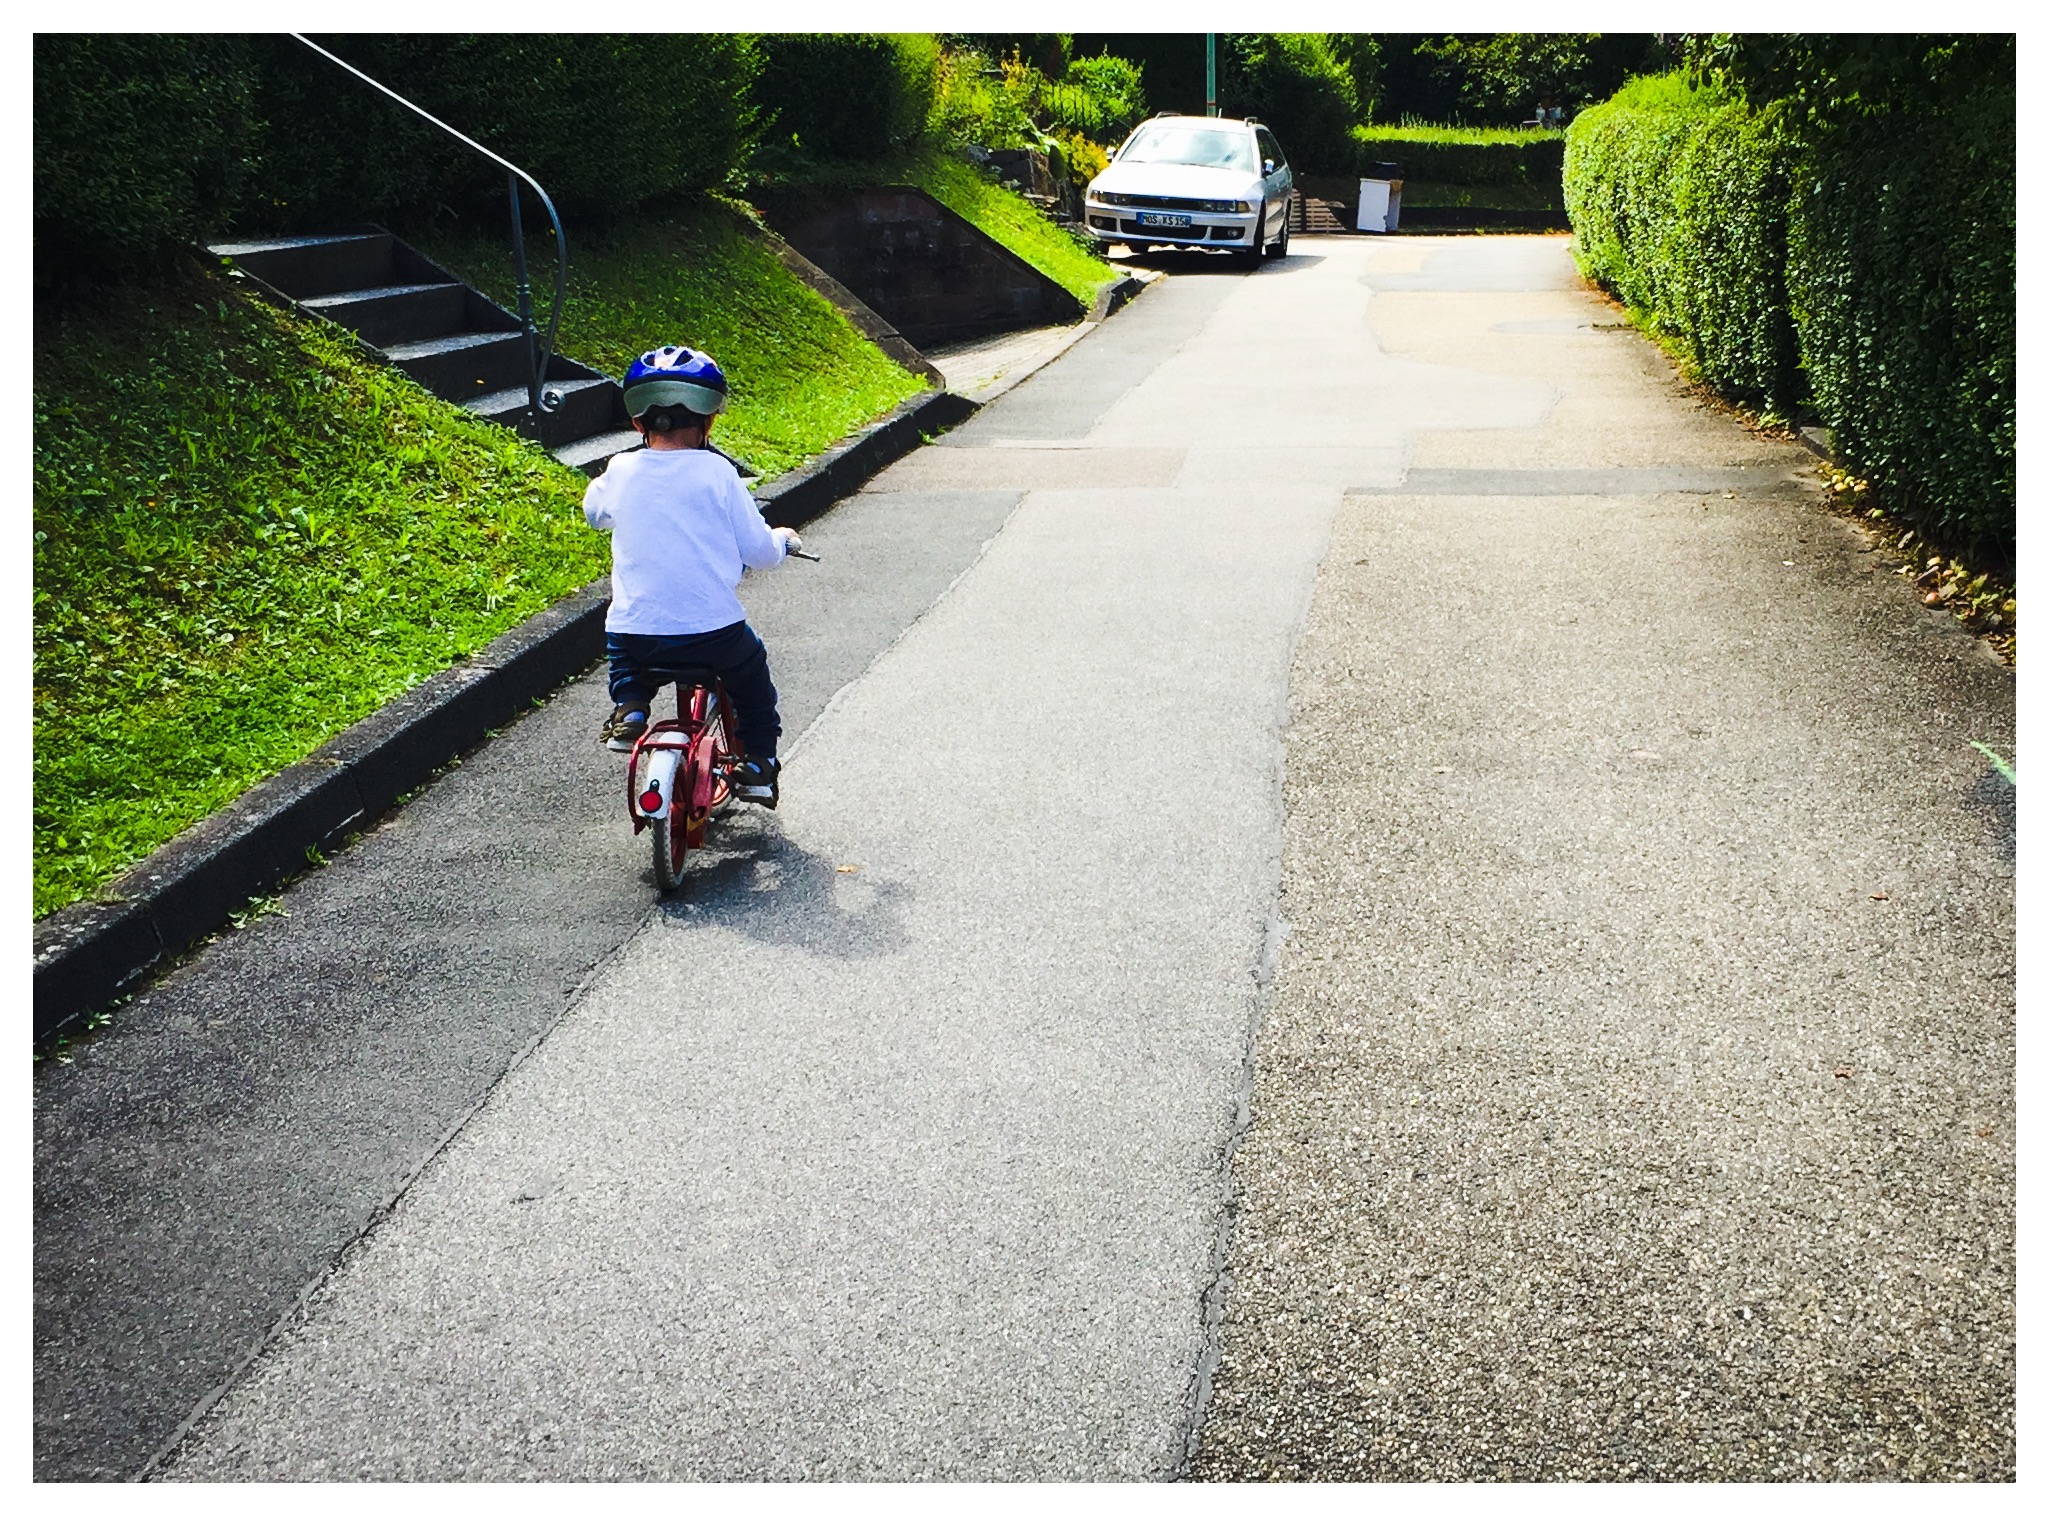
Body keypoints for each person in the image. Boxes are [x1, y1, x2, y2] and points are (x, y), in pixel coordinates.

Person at [582, 344, 800, 806]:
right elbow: (759, 553)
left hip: (635, 632)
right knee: (752, 682)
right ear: (709, 419)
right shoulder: (718, 473)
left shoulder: (620, 469)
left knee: (625, 658)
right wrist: (783, 541)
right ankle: (759, 765)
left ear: (638, 422)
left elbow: (595, 513)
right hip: (713, 634)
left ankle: (631, 709)